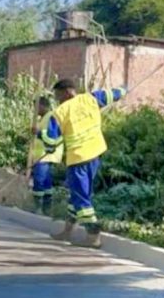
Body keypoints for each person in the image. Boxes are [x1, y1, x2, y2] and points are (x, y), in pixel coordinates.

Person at [40, 79, 126, 248]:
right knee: (77, 195)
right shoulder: (91, 98)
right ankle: (67, 231)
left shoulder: (60, 112)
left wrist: (49, 148)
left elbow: (50, 138)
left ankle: (93, 236)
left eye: (58, 96)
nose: (58, 101)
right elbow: (114, 93)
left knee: (81, 198)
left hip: (78, 159)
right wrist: (123, 90)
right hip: (95, 155)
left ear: (67, 92)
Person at [29, 96, 64, 216]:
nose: (34, 111)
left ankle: (38, 207)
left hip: (46, 154)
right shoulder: (43, 118)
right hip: (43, 154)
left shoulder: (51, 117)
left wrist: (37, 133)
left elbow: (51, 138)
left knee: (39, 180)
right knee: (46, 181)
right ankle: (46, 207)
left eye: (36, 107)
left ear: (42, 106)